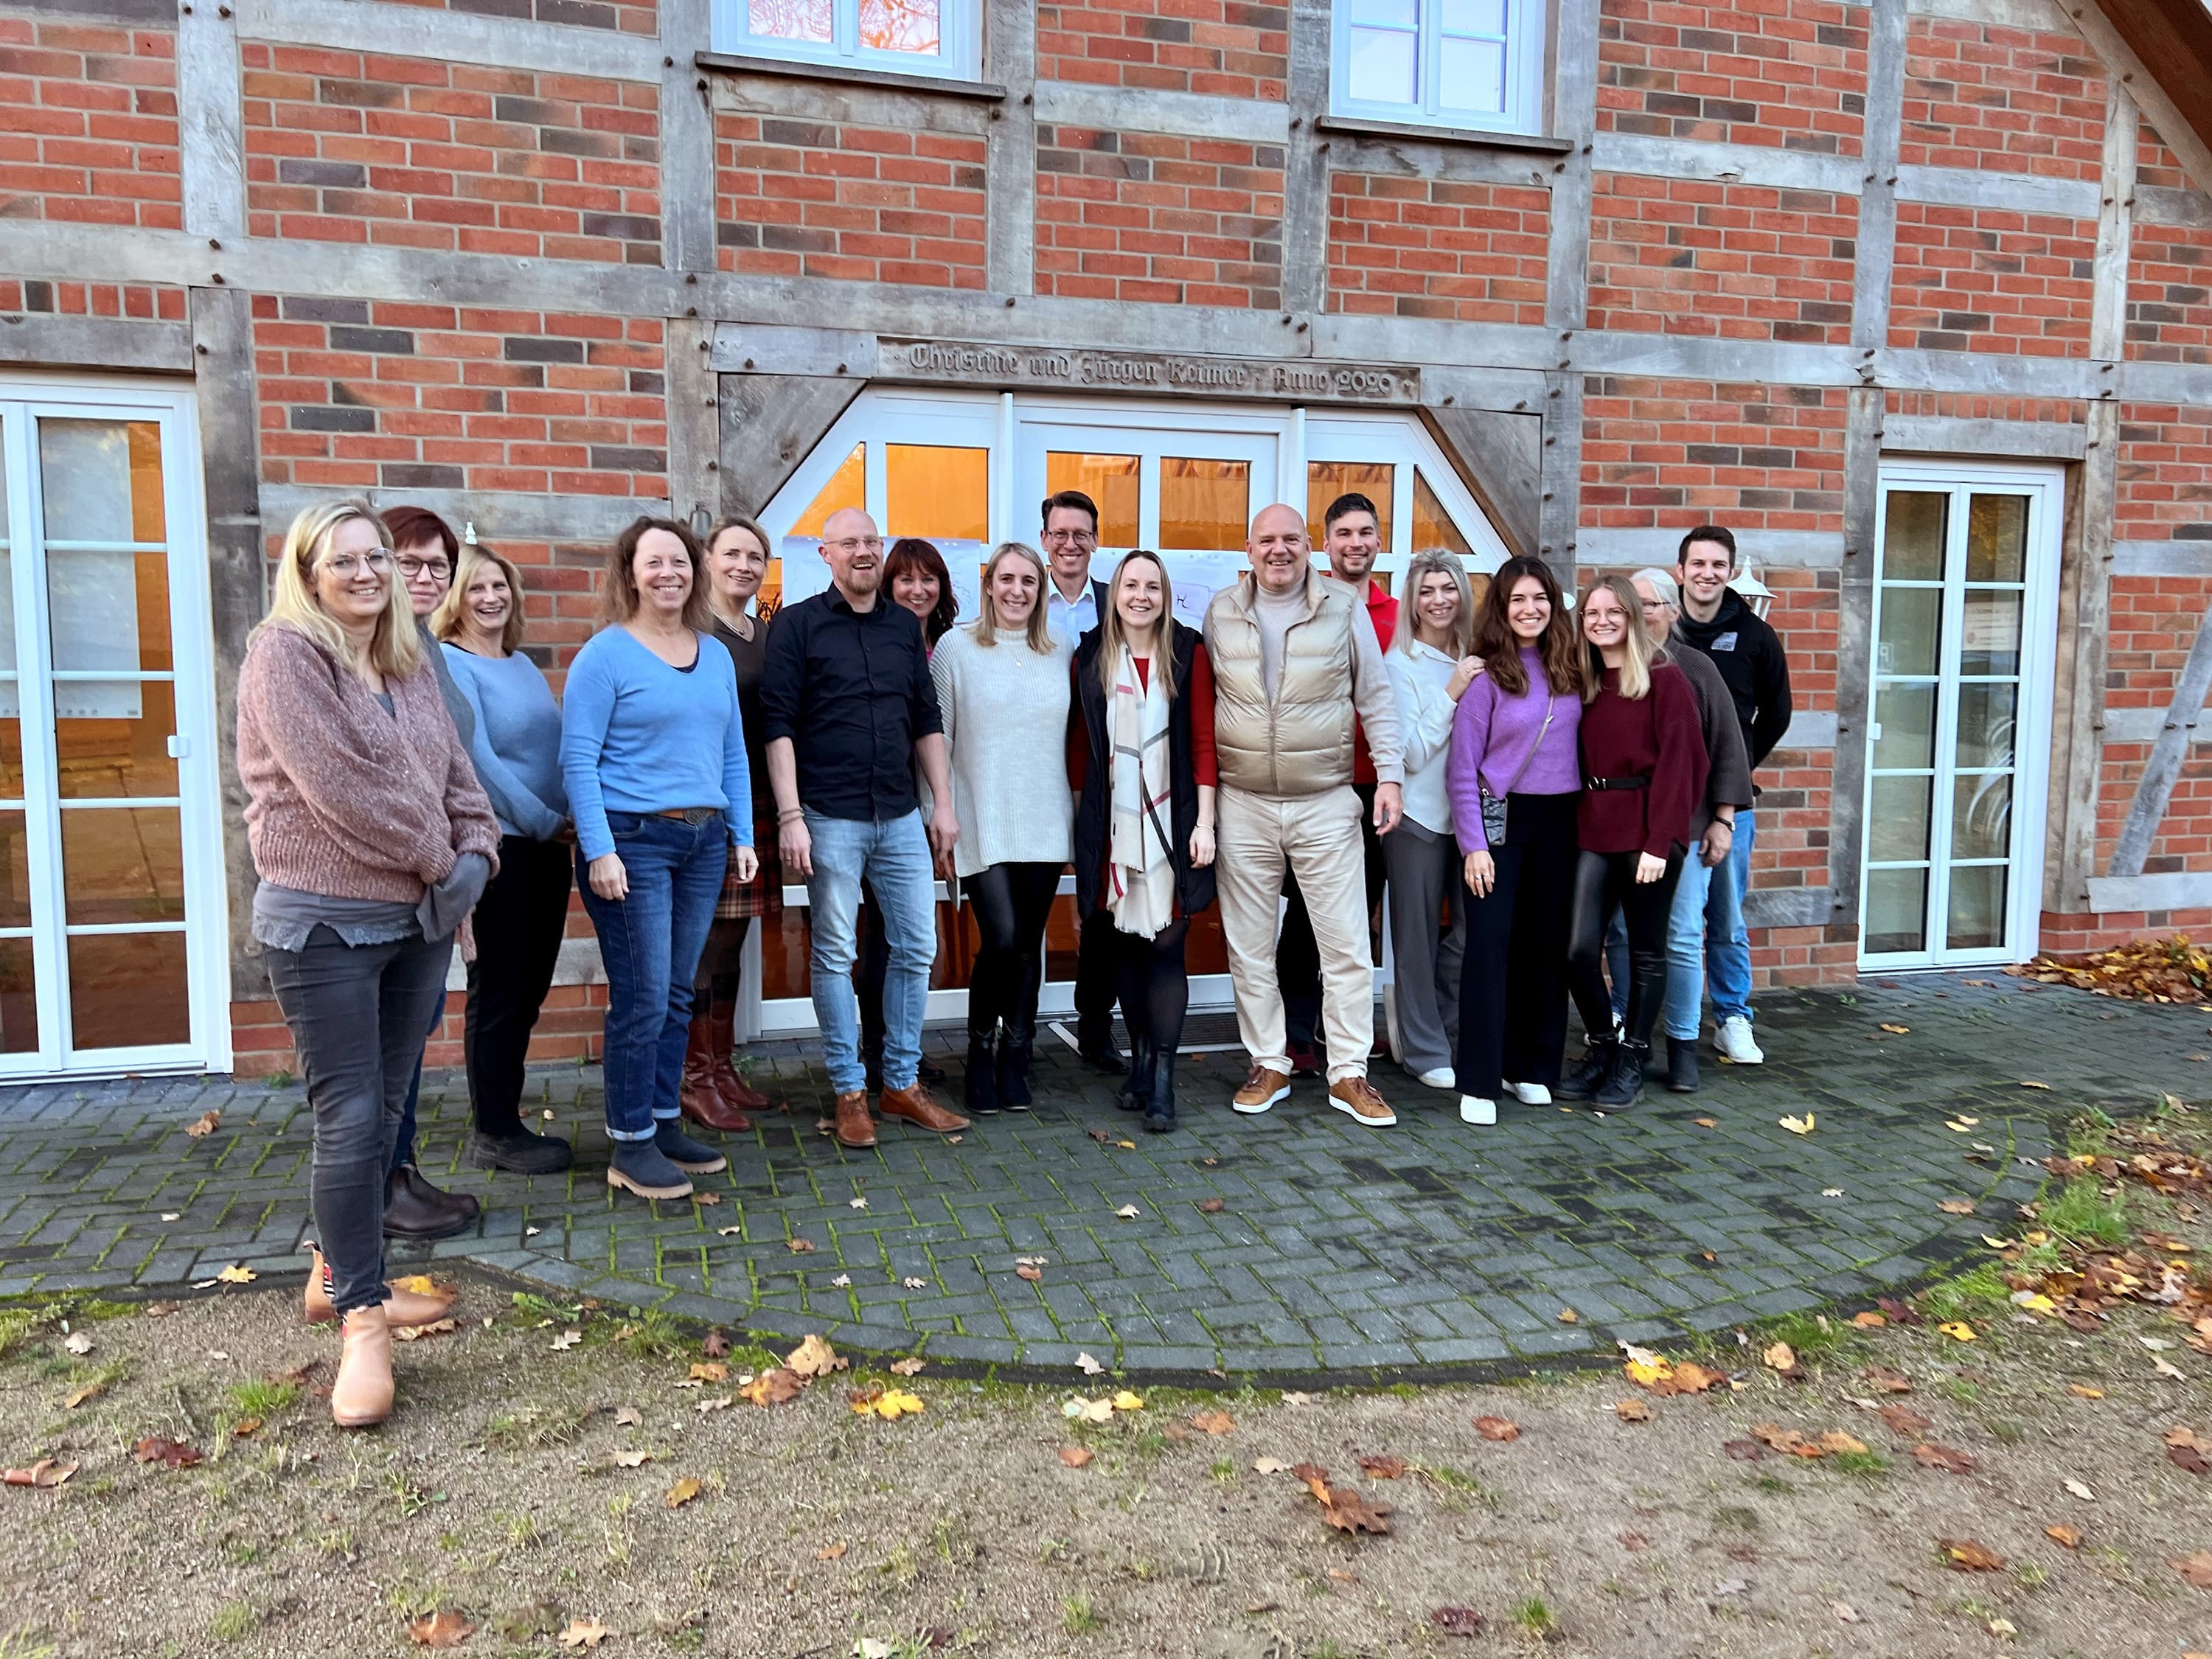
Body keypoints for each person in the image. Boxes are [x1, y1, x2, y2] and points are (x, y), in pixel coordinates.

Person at [237, 501, 498, 1427]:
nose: (365, 572)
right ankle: (361, 1321)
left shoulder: (411, 659)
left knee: (386, 1113)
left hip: (419, 925)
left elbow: (459, 783)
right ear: (308, 574)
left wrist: (476, 857)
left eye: (375, 555)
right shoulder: (284, 655)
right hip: (325, 927)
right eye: (342, 559)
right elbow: (343, 792)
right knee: (349, 1120)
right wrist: (448, 867)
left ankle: (337, 1272)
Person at [760, 507, 969, 1150]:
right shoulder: (797, 625)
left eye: (871, 541)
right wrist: (790, 815)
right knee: (834, 954)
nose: (862, 551)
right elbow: (778, 724)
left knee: (916, 947)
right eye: (849, 542)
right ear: (824, 554)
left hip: (900, 814)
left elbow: (926, 719)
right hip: (828, 815)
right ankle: (850, 1090)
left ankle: (900, 1084)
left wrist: (943, 804)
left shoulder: (904, 630)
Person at [561, 518, 757, 1201]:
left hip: (704, 841)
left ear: (694, 572)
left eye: (679, 561)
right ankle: (630, 1142)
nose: (669, 573)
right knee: (642, 998)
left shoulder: (715, 655)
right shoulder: (604, 657)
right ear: (630, 572)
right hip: (633, 841)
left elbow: (731, 752)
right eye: (655, 562)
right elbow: (578, 761)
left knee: (678, 992)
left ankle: (665, 1121)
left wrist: (743, 834)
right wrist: (600, 850)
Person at [1204, 503, 1405, 1127]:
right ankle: (1269, 1061)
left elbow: (1375, 695)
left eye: (1291, 539)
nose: (1279, 550)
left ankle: (1349, 1072)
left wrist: (1391, 777)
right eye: (1267, 540)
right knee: (1250, 946)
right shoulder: (1220, 612)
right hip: (1244, 804)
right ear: (1248, 548)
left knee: (1344, 943)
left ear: (1309, 546)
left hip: (1324, 801)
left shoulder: (1343, 610)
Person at [434, 540, 577, 1173]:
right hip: (504, 850)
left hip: (546, 852)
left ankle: (507, 1116)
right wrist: (548, 820)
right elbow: (478, 764)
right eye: (476, 588)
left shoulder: (517, 663)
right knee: (499, 992)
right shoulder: (451, 662)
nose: (491, 598)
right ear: (454, 599)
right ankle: (493, 1131)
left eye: (500, 587)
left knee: (530, 989)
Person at [1068, 551, 1217, 1132]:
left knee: (1164, 948)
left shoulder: (1188, 651)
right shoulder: (1090, 656)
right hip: (1112, 829)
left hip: (1174, 825)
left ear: (1165, 594)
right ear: (1116, 593)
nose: (1141, 596)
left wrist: (1205, 824)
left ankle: (1163, 1077)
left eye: (1152, 586)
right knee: (1126, 947)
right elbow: (1080, 749)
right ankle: (1140, 1061)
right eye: (1131, 585)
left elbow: (1205, 742)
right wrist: (1083, 832)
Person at [375, 506, 484, 1239]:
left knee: (409, 1036)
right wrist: (448, 870)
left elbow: (451, 766)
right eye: (408, 562)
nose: (424, 577)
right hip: (388, 883)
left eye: (438, 566)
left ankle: (399, 1173)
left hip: (436, 879)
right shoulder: (368, 653)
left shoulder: (423, 650)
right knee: (385, 1047)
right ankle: (382, 1187)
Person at [933, 542, 1073, 1113]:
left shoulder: (1062, 647)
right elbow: (937, 735)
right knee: (1004, 937)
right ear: (989, 585)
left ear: (1042, 590)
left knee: (1027, 947)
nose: (1017, 591)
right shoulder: (956, 647)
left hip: (1044, 815)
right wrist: (937, 810)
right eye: (1007, 580)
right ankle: (980, 1051)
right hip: (979, 815)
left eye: (1029, 582)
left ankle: (1016, 1057)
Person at [1447, 554, 1584, 1125]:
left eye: (1540, 599)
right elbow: (1461, 768)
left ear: (1554, 606)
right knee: (1489, 948)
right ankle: (1479, 1079)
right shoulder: (1486, 677)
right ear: (1503, 610)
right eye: (1518, 600)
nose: (1531, 610)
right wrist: (1474, 845)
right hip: (1500, 822)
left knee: (1545, 948)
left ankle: (1529, 1067)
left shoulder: (1573, 670)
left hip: (1562, 821)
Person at [1559, 576, 1706, 1110]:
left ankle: (1633, 1058)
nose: (1601, 621)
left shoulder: (1664, 679)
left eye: (1612, 612)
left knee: (1646, 952)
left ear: (1632, 617)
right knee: (1576, 950)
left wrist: (1659, 840)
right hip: (1594, 827)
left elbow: (1682, 764)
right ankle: (1602, 1046)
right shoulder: (1585, 680)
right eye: (1591, 612)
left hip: (1648, 830)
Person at [1607, 569, 1754, 1093]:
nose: (1643, 613)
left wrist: (1723, 818)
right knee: (1623, 934)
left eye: (1651, 604)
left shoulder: (1695, 669)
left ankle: (1683, 1043)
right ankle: (1629, 1030)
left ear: (1672, 610)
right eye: (1635, 604)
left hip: (1685, 828)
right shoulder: (1611, 667)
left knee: (1683, 934)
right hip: (1624, 828)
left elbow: (1727, 750)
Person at [1276, 491, 1399, 1075]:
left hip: (1374, 789)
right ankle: (1296, 1032)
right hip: (1317, 786)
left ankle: (1341, 1028)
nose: (1356, 543)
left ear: (1380, 541)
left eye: (1366, 532)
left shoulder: (1398, 616)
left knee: (1355, 919)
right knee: (1304, 916)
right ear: (1325, 544)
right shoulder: (1308, 603)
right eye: (1344, 533)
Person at [1673, 525, 1793, 1066]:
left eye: (1717, 565)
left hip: (1729, 810)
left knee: (1725, 916)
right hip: (1667, 807)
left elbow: (1778, 712)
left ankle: (1732, 1017)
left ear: (1729, 571)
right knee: (1654, 920)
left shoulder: (1755, 636)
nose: (1706, 574)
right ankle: (1633, 1013)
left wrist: (1737, 773)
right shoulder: (1660, 627)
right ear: (1681, 571)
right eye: (1697, 564)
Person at [683, 515, 784, 1131]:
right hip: (710, 803)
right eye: (733, 554)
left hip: (759, 800)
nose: (744, 566)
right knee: (706, 940)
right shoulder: (695, 628)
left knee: (735, 939)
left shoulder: (764, 632)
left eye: (755, 557)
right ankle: (694, 1079)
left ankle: (721, 1067)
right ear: (708, 558)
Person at [858, 537, 957, 1091]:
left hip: (935, 804)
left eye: (929, 579)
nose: (917, 590)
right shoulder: (874, 639)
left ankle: (903, 1051)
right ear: (889, 585)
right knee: (884, 936)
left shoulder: (950, 645)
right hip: (888, 804)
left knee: (917, 939)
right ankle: (877, 1053)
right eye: (906, 580)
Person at [1382, 551, 1480, 1093]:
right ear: (1412, 603)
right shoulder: (1401, 664)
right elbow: (1409, 754)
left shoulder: (1475, 656)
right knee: (1414, 940)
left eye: (1448, 588)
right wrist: (1451, 694)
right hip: (1417, 818)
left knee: (1469, 935)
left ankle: (1452, 1032)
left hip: (1470, 822)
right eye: (1426, 591)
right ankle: (1422, 1049)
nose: (1439, 599)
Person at [1040, 489, 1124, 1077]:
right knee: (1031, 901)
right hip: (1037, 769)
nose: (1071, 544)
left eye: (1082, 534)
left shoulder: (1115, 605)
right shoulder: (1021, 600)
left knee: (1102, 907)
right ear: (1044, 539)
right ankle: (1013, 1031)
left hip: (1104, 773)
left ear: (1096, 541)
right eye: (1060, 533)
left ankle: (1095, 1024)